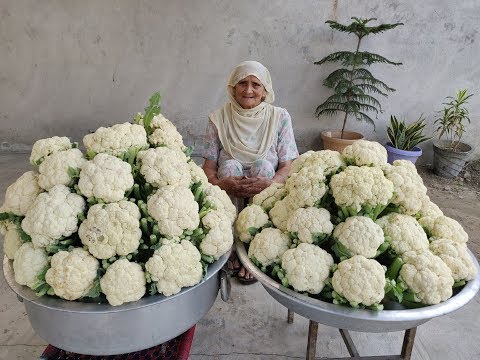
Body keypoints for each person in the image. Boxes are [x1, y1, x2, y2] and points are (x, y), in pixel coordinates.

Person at [202, 60, 299, 284]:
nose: (248, 90)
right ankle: (230, 248)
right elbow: (208, 167)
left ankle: (255, 248)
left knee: (264, 167)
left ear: (265, 91)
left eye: (256, 84)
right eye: (242, 83)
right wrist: (220, 183)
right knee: (228, 167)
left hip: (266, 186)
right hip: (228, 187)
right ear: (232, 87)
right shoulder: (218, 118)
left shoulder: (280, 117)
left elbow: (288, 165)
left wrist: (271, 183)